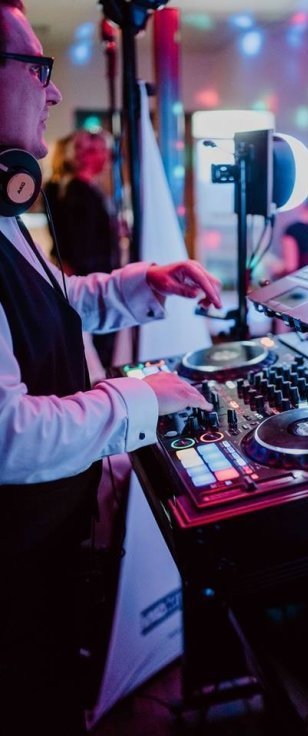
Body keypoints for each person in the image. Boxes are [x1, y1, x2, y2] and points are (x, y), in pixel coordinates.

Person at [0, 2, 221, 735]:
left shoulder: (8, 217)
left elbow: (60, 302)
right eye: (40, 68)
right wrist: (136, 399)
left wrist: (146, 280)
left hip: (47, 560)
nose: (54, 92)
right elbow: (8, 435)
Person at [45, 128, 121, 368]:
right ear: (85, 155)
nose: (107, 157)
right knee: (97, 340)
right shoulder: (77, 191)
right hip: (89, 275)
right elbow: (77, 241)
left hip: (95, 271)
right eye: (100, 151)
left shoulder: (87, 189)